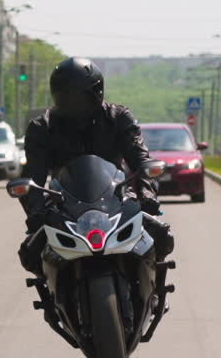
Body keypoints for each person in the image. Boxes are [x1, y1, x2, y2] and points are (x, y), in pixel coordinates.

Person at [18, 56, 174, 274]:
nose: (74, 102)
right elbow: (34, 176)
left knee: (161, 237)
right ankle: (50, 291)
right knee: (30, 253)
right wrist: (36, 211)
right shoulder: (42, 127)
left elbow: (140, 160)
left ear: (96, 91)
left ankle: (155, 284)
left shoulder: (118, 118)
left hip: (117, 198)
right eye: (67, 95)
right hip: (64, 205)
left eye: (79, 95)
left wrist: (147, 196)